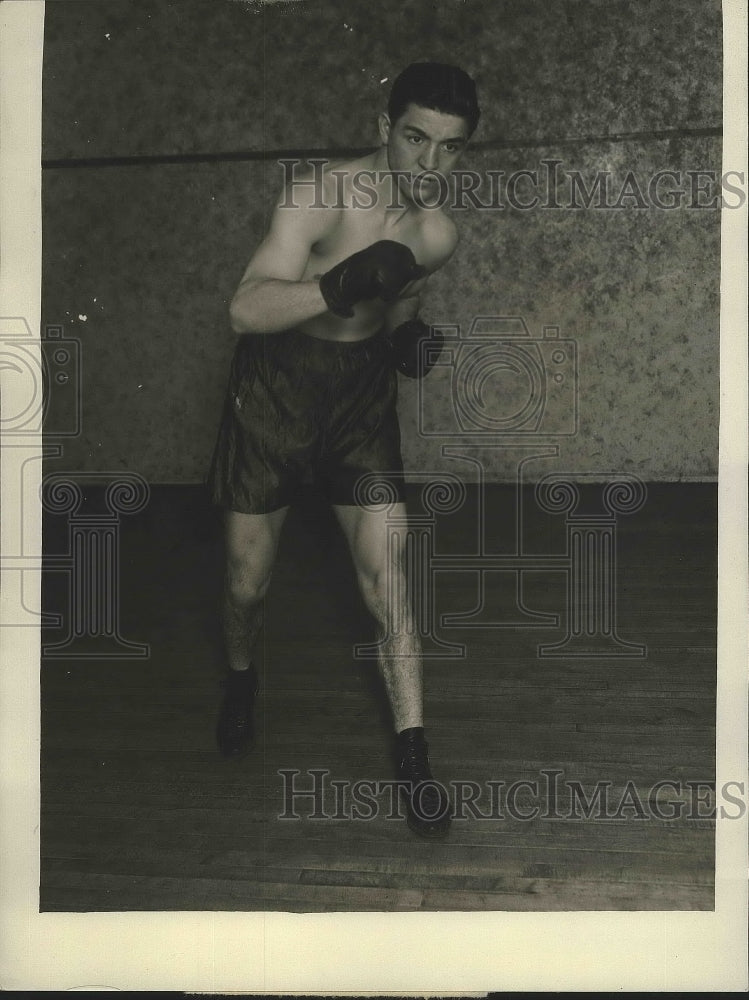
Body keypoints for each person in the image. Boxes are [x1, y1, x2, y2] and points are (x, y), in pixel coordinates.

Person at [208, 62, 480, 838]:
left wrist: (405, 340)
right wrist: (333, 287)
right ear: (382, 128)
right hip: (272, 398)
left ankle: (414, 754)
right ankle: (239, 680)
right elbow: (244, 307)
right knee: (245, 588)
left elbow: (400, 301)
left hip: (358, 405)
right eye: (414, 138)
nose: (430, 165)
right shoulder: (317, 197)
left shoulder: (436, 234)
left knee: (385, 577)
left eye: (450, 148)